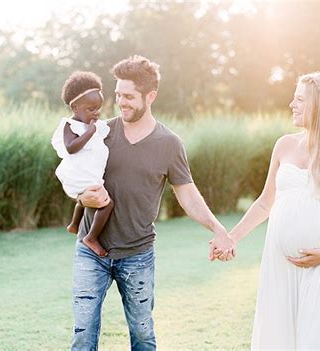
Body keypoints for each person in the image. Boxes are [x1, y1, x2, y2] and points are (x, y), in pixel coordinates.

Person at [70, 55, 235, 350]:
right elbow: (74, 178)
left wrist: (217, 228)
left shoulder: (169, 144)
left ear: (151, 96)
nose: (122, 102)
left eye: (129, 96)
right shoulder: (101, 134)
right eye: (118, 94)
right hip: (91, 252)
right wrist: (82, 196)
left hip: (137, 255)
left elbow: (188, 195)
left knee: (143, 336)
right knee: (83, 336)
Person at [226, 72, 320, 349]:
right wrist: (232, 237)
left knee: (317, 342)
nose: (291, 104)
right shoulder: (284, 144)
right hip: (279, 264)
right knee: (278, 340)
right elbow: (264, 202)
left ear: (319, 104)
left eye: (299, 99)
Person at [51, 71, 114, 257]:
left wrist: (94, 129)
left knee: (85, 199)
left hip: (89, 173)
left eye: (98, 108)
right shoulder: (70, 126)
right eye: (90, 109)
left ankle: (74, 224)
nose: (96, 113)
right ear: (75, 107)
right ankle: (91, 237)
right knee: (107, 204)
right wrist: (89, 132)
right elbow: (71, 147)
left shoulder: (96, 125)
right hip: (79, 174)